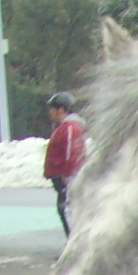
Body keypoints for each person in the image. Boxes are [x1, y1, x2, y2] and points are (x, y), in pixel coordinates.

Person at [43, 90, 84, 235]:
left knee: (66, 210)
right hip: (61, 177)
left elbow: (70, 153)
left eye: (52, 109)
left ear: (61, 109)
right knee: (65, 210)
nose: (50, 112)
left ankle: (74, 241)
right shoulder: (64, 127)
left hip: (66, 178)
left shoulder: (70, 128)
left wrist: (67, 175)